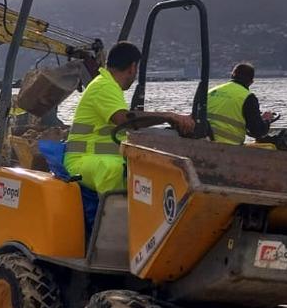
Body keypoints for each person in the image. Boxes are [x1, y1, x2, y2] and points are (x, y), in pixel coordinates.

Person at [64, 41, 194, 194]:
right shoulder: (104, 86)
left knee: (149, 167)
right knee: (120, 171)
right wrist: (168, 116)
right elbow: (124, 120)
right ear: (133, 67)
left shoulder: (108, 85)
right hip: (83, 161)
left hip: (93, 158)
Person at [206, 63, 276, 145]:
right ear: (251, 82)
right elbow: (258, 131)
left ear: (232, 75)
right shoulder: (248, 97)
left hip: (205, 143)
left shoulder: (211, 91)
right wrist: (266, 120)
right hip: (229, 146)